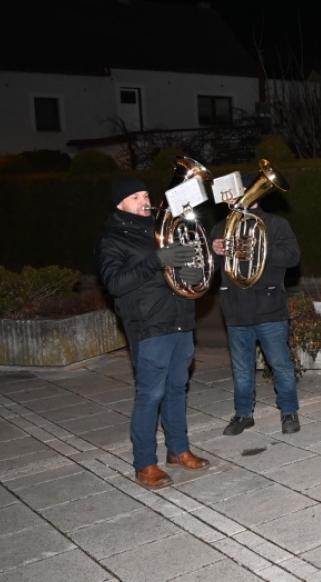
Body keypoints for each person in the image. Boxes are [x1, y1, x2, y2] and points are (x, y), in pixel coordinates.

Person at [96, 175, 211, 490]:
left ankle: (178, 450)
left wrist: (194, 270)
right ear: (120, 203)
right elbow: (115, 283)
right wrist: (158, 260)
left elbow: (180, 274)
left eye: (146, 195)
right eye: (135, 197)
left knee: (177, 389)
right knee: (151, 394)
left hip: (181, 320)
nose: (144, 201)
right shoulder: (112, 239)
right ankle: (145, 463)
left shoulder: (163, 231)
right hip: (149, 325)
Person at [212, 178, 302, 436]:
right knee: (241, 369)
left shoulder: (275, 224)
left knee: (280, 365)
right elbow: (208, 270)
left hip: (269, 307)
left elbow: (293, 257)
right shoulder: (220, 227)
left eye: (238, 192)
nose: (231, 198)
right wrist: (214, 251)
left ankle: (289, 411)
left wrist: (261, 248)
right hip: (235, 308)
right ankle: (243, 414)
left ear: (252, 193)